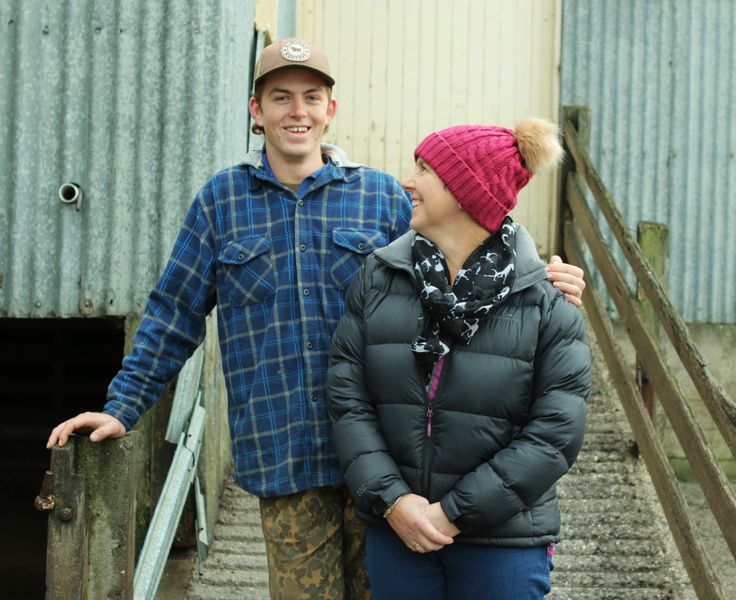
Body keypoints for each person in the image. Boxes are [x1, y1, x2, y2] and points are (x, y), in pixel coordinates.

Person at [44, 38, 587, 599]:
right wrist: (122, 408)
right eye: (280, 98)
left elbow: (468, 249)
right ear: (257, 111)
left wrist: (545, 276)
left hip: (391, 462)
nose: (296, 112)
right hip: (285, 455)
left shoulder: (381, 197)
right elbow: (173, 312)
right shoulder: (221, 202)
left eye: (312, 97)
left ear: (332, 110)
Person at [327, 117, 592, 599]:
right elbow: (348, 399)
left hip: (505, 541)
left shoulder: (547, 302)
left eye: (424, 169)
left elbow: (555, 435)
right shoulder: (377, 279)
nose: (408, 181)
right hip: (400, 532)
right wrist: (394, 501)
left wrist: (451, 512)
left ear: (466, 191)